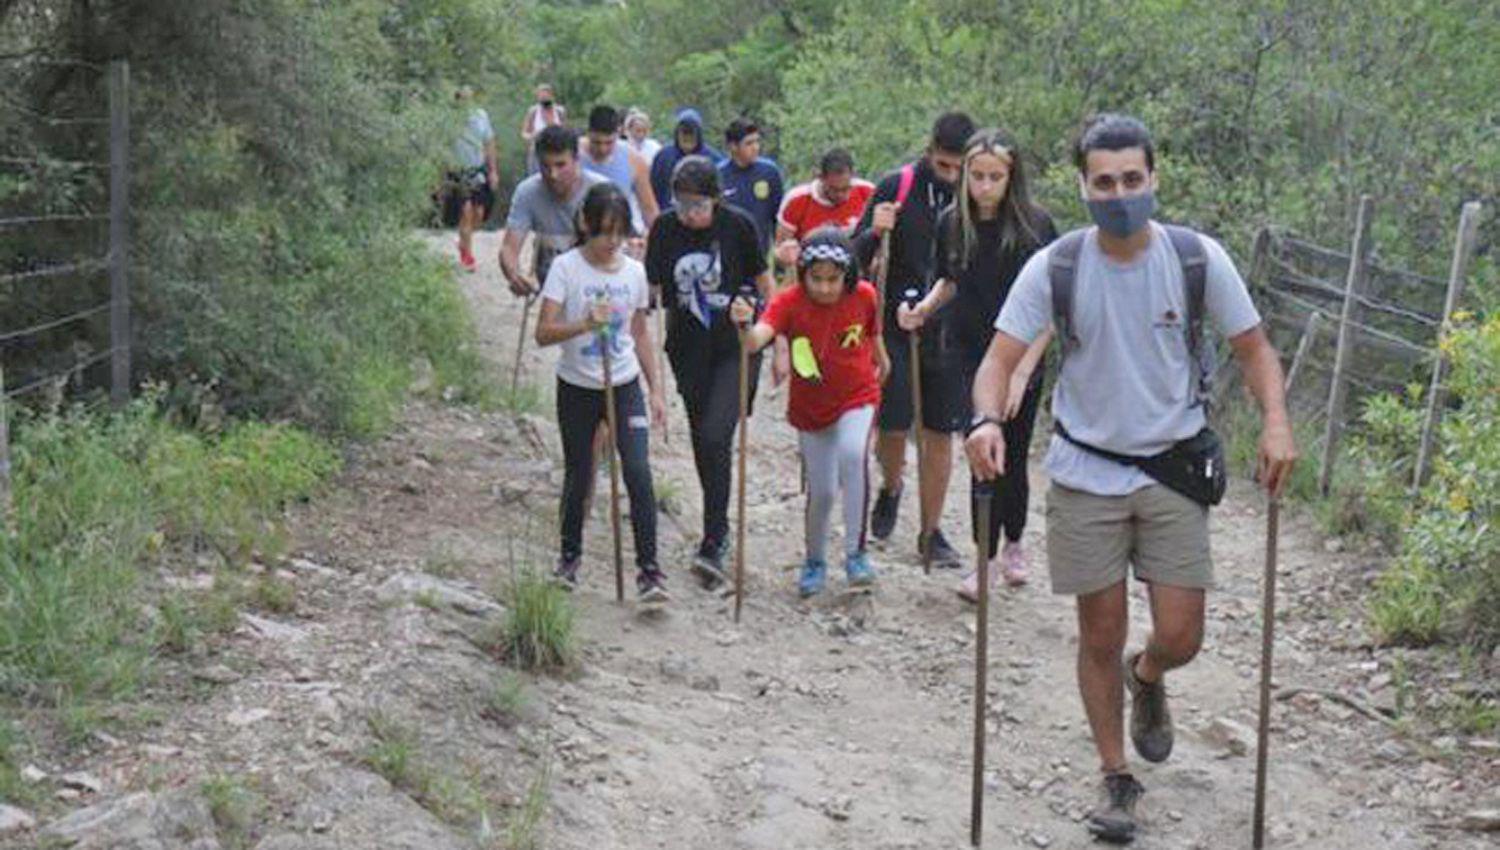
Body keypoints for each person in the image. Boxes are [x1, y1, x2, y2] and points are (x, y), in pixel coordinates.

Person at [965, 113, 1297, 844]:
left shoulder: (1195, 258)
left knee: (1182, 634)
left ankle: (1147, 676)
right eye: (1105, 182)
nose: (1120, 194)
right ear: (1083, 186)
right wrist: (986, 421)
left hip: (1172, 467)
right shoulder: (1056, 265)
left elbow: (1252, 348)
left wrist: (1276, 420)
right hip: (1085, 469)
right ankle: (1116, 773)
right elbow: (997, 360)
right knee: (1098, 629)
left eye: (1132, 180)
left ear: (1154, 178)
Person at [897, 128, 1057, 598]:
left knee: (1015, 449)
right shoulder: (952, 222)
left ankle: (1013, 540)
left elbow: (1051, 305)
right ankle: (983, 559)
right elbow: (949, 280)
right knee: (980, 449)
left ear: (1012, 178)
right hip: (968, 349)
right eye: (977, 176)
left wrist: (1025, 369)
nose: (984, 186)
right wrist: (924, 309)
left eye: (995, 177)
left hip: (1023, 350)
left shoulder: (1035, 227)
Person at [731, 228, 889, 596]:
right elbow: (757, 339)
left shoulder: (864, 295)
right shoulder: (788, 302)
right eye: (815, 279)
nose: (824, 288)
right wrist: (742, 324)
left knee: (854, 456)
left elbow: (874, 338)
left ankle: (855, 553)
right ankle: (815, 559)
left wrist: (884, 368)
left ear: (847, 276)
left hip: (858, 395)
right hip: (811, 408)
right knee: (821, 492)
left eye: (833, 280)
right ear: (803, 275)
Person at [851, 111, 976, 569]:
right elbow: (852, 256)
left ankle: (931, 531)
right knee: (894, 424)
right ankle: (891, 485)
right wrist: (874, 231)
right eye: (943, 166)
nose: (951, 177)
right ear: (930, 152)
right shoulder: (896, 186)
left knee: (940, 431)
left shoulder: (978, 197)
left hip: (949, 331)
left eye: (958, 167)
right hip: (893, 326)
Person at [535, 182, 669, 601]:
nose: (612, 242)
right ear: (585, 226)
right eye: (604, 232)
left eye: (620, 232)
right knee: (580, 472)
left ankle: (649, 572)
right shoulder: (566, 268)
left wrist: (657, 389)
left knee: (639, 470)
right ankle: (569, 559)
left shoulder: (634, 271)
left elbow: (640, 332)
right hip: (578, 385)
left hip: (624, 382)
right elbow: (543, 333)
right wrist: (584, 325)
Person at [645, 156, 774, 587]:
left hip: (737, 346)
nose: (690, 214)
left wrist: (771, 330)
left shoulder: (738, 226)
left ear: (716, 200)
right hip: (688, 349)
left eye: (698, 205)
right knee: (703, 438)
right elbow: (653, 287)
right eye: (682, 204)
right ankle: (715, 522)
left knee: (718, 433)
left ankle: (714, 538)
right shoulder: (665, 229)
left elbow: (763, 280)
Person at [500, 125, 608, 297]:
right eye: (545, 166)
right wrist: (514, 275)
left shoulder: (602, 190)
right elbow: (509, 247)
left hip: (597, 280)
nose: (553, 174)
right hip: (550, 278)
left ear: (576, 159)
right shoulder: (527, 192)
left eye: (561, 165)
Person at [774, 148, 875, 269]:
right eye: (834, 189)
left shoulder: (868, 193)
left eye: (846, 189)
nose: (841, 195)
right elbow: (779, 251)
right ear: (821, 178)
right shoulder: (797, 199)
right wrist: (784, 256)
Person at [580, 104, 660, 237]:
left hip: (618, 234)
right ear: (588, 133)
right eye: (596, 142)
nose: (602, 149)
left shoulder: (634, 160)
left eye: (609, 143)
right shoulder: (573, 155)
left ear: (619, 133)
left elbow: (649, 210)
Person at [448, 85, 499, 273]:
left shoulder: (481, 116)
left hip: (478, 171)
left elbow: (490, 143)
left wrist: (493, 171)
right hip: (458, 173)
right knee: (466, 212)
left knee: (478, 214)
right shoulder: (450, 120)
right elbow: (442, 148)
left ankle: (463, 240)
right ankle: (467, 256)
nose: (466, 101)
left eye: (469, 98)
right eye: (462, 98)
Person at [717, 118, 784, 256]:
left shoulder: (769, 172)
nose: (756, 147)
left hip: (759, 253)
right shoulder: (718, 175)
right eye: (749, 143)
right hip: (727, 252)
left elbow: (778, 217)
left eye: (757, 141)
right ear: (733, 146)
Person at [649, 108, 725, 216]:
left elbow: (719, 195)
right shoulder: (663, 157)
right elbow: (652, 190)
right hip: (669, 218)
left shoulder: (713, 159)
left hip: (702, 218)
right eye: (684, 133)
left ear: (698, 134)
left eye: (691, 134)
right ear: (677, 133)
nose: (687, 138)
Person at [520, 83, 567, 174]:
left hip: (556, 150)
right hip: (537, 151)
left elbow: (566, 131)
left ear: (552, 96)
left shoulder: (560, 111)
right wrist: (533, 135)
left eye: (546, 95)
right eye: (541, 96)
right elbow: (524, 133)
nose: (544, 98)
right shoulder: (533, 111)